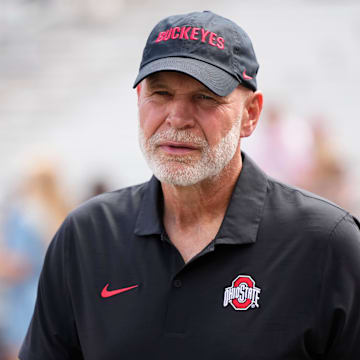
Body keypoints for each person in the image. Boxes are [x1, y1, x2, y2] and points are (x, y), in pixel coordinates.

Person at [19, 11, 360, 360]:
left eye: (205, 97)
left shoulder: (326, 243)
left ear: (251, 114)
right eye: (161, 94)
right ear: (139, 99)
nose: (177, 118)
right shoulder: (87, 236)